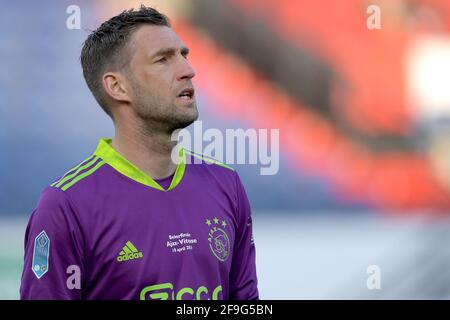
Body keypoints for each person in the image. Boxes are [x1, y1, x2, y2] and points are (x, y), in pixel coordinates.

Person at [20, 5, 258, 300]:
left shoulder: (226, 185)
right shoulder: (65, 206)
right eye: (163, 60)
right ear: (118, 87)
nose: (188, 70)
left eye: (183, 55)